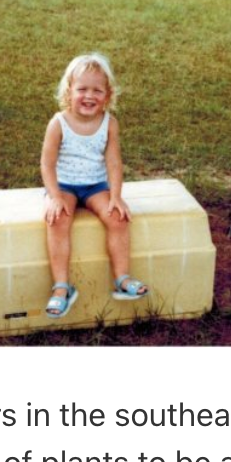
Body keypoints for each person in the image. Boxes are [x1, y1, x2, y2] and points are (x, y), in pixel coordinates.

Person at [39, 52, 148, 319]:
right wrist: (54, 197)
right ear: (69, 91)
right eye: (82, 89)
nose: (89, 96)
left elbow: (113, 163)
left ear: (108, 95)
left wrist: (116, 196)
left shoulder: (109, 123)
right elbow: (47, 164)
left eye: (97, 90)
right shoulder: (58, 123)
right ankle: (62, 287)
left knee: (118, 218)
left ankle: (122, 278)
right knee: (58, 220)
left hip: (96, 185)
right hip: (63, 185)